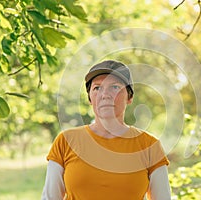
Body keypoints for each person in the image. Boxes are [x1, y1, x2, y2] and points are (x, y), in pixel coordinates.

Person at [41, 60, 171, 200]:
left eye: (114, 87)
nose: (105, 95)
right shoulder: (66, 141)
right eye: (97, 88)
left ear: (130, 96)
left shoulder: (150, 146)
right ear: (90, 98)